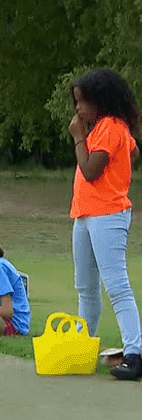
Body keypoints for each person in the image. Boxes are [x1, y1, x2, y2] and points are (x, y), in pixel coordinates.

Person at [67, 69, 142, 381]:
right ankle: (86, 347)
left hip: (107, 215)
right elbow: (133, 153)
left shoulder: (110, 127)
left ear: (99, 102)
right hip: (85, 214)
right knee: (86, 286)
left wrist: (78, 138)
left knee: (116, 285)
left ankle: (135, 353)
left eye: (82, 102)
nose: (78, 110)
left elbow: (91, 171)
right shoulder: (107, 129)